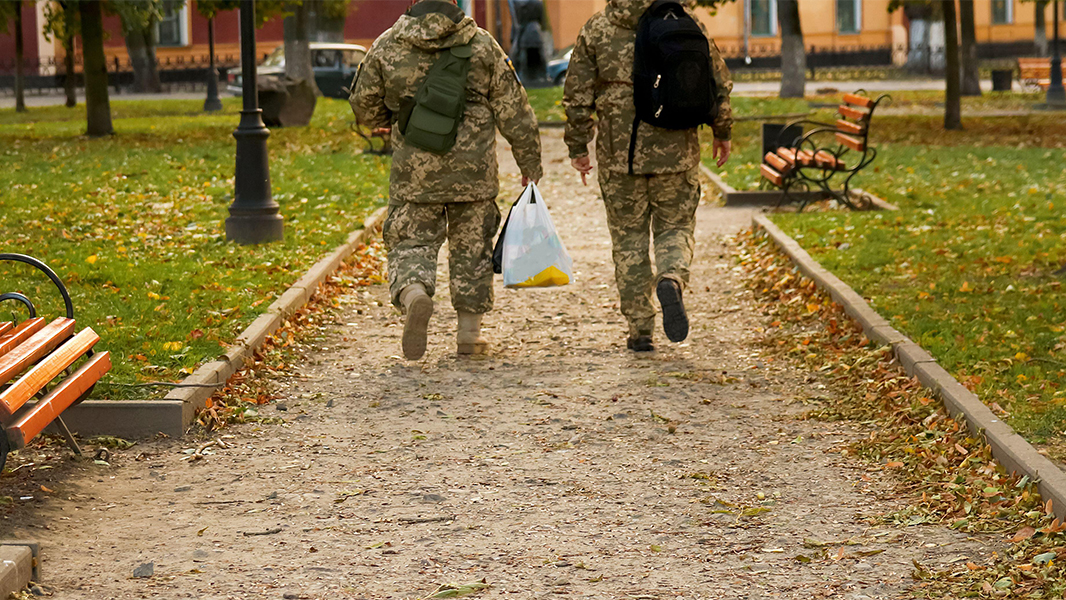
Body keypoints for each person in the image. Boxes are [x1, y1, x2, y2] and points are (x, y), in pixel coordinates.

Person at [351, 0, 543, 360]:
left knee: (410, 243)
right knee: (472, 251)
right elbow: (514, 108)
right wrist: (529, 161)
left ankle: (415, 295)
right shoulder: (483, 45)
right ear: (454, 1)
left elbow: (363, 105)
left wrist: (390, 115)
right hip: (473, 174)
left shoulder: (388, 44)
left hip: (414, 173)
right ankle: (469, 335)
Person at [563, 0, 733, 352]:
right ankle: (671, 276)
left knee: (628, 241)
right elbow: (716, 79)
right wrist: (722, 130)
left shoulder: (598, 28)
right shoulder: (684, 21)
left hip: (619, 155)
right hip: (677, 149)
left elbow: (577, 95)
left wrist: (578, 145)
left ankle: (640, 328)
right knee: (676, 226)